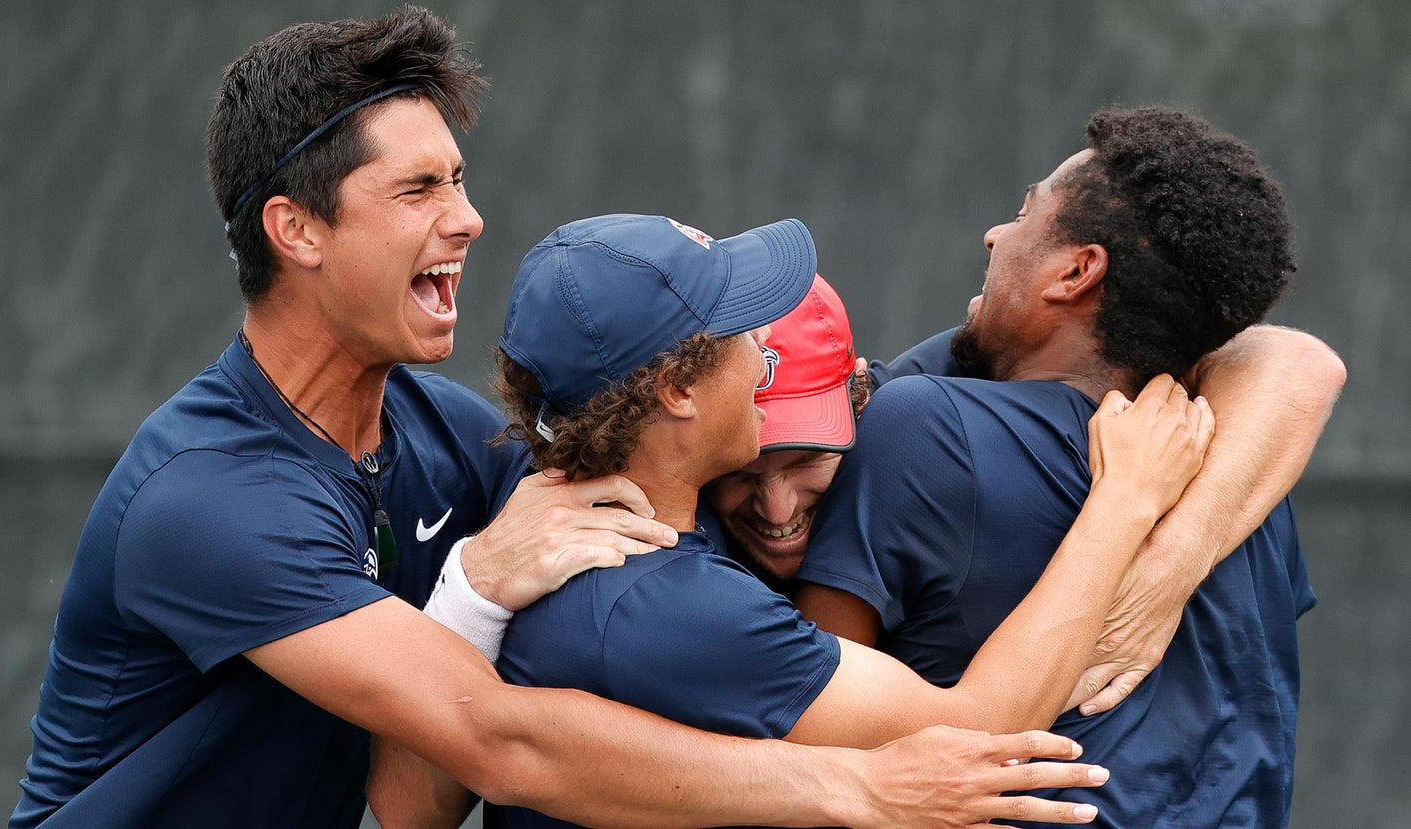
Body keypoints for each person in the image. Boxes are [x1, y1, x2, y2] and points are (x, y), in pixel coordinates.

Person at [11, 9, 1115, 829]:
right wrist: (855, 786)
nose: (470, 217)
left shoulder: (445, 436)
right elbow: (496, 740)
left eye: (461, 178)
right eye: (419, 191)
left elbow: (418, 794)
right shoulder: (207, 497)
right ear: (296, 230)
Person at [471, 211, 1213, 829]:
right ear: (676, 392)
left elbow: (1284, 360)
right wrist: (1125, 506)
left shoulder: (577, 504)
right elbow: (978, 728)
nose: (764, 346)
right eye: (737, 333)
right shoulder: (671, 605)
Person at [796, 106, 1338, 827]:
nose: (995, 234)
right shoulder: (1246, 472)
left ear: (1076, 272)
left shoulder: (928, 428)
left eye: (1025, 214)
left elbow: (797, 703)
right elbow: (1294, 359)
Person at [702, 277, 1342, 711]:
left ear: (859, 393)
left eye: (810, 457)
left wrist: (1170, 564)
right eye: (740, 470)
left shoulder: (908, 408)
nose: (778, 507)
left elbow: (1296, 363)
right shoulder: (643, 539)